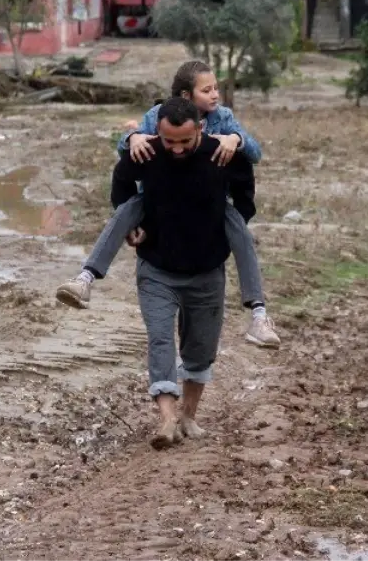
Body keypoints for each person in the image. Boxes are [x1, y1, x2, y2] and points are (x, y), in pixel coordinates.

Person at [55, 60, 281, 349]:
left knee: (240, 230)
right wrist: (133, 136)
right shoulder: (156, 116)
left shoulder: (223, 118)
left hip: (207, 204)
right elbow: (127, 154)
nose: (215, 95)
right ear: (186, 96)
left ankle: (259, 316)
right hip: (160, 200)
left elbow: (255, 153)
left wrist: (235, 139)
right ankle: (84, 279)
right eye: (207, 89)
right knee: (127, 209)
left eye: (216, 88)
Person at [111, 96, 256, 448]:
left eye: (184, 141)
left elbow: (246, 192)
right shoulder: (145, 152)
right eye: (168, 140)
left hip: (207, 269)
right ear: (157, 131)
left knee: (200, 347)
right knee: (160, 340)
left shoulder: (220, 155)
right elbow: (122, 186)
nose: (175, 149)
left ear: (200, 130)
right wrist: (133, 225)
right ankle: (166, 420)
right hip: (156, 267)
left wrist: (230, 226)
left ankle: (188, 416)